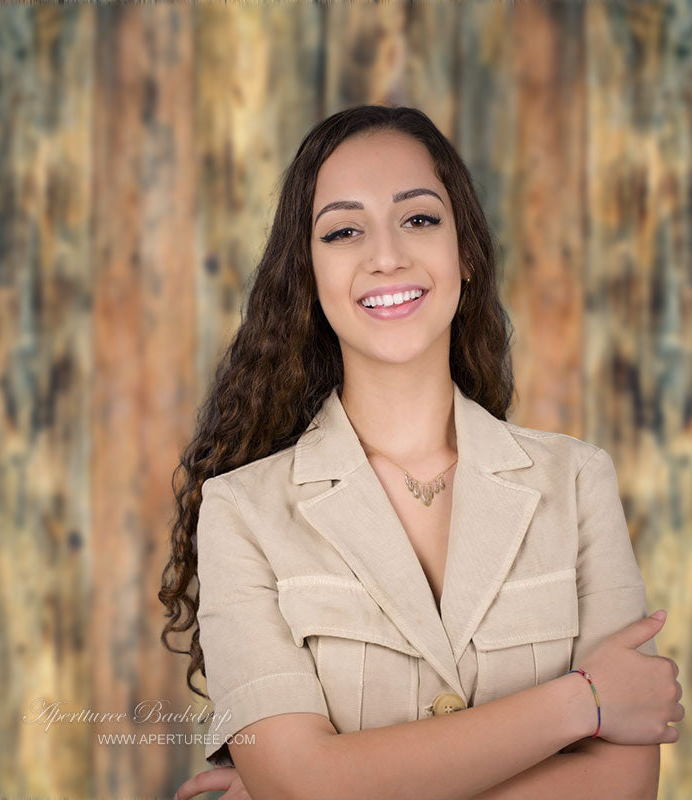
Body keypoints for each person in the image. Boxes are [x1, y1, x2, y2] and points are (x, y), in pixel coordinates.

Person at [160, 105, 683, 800]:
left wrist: (333, 784)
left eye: (419, 219)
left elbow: (623, 786)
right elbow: (302, 785)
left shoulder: (578, 482)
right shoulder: (240, 512)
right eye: (344, 231)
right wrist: (582, 703)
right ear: (308, 277)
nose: (386, 255)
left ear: (464, 251)